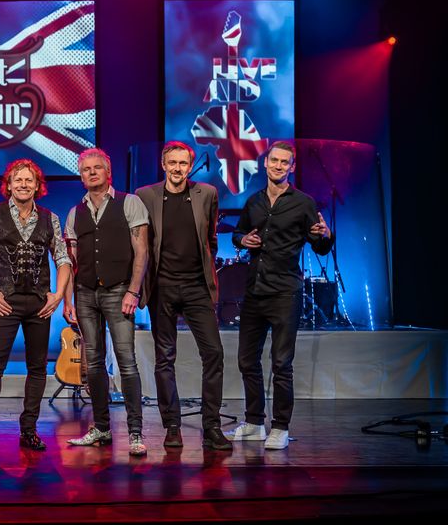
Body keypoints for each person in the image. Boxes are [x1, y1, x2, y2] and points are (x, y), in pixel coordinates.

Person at [227, 141, 333, 450]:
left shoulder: (303, 202)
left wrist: (326, 235)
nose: (278, 166)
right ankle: (254, 422)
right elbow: (238, 233)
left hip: (285, 292)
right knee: (247, 360)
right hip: (255, 291)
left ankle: (281, 427)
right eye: (274, 160)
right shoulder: (254, 201)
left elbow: (320, 245)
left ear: (292, 167)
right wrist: (242, 240)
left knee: (282, 363)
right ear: (265, 163)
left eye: (284, 162)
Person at [0, 159, 72, 458]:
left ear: (37, 186)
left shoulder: (50, 218)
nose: (23, 184)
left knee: (37, 368)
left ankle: (29, 429)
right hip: (5, 303)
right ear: (9, 185)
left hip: (39, 303)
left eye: (29, 180)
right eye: (18, 180)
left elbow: (63, 259)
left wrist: (58, 295)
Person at [136, 142, 231, 451]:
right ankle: (172, 426)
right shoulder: (145, 195)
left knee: (213, 353)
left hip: (196, 287)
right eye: (172, 163)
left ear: (191, 167)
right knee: (165, 357)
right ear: (163, 165)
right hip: (161, 287)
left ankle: (212, 426)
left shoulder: (207, 193)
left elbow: (211, 239)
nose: (177, 168)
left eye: (183, 163)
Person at [63, 148, 151, 456]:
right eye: (85, 169)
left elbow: (142, 251)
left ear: (108, 171)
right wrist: (68, 299)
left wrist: (133, 291)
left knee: (126, 361)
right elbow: (70, 260)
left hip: (119, 291)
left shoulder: (129, 202)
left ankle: (136, 432)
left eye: (96, 168)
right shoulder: (75, 212)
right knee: (94, 362)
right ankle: (101, 427)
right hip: (85, 293)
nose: (91, 173)